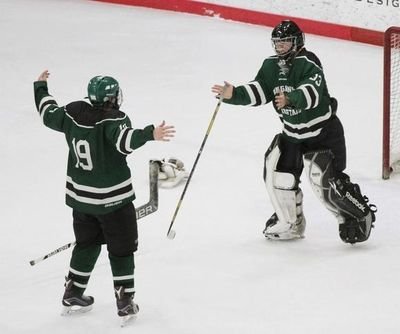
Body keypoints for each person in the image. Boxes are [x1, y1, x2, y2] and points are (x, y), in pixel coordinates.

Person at [212, 20, 376, 244]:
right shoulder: (270, 66)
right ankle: (290, 222)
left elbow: (312, 91)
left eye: (285, 42)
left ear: (297, 42)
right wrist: (234, 94)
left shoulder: (308, 61)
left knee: (328, 184)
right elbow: (260, 90)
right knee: (280, 176)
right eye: (277, 44)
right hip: (292, 135)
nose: (280, 48)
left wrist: (292, 99)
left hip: (323, 134)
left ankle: (358, 215)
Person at [33, 70, 175, 322]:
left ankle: (73, 292)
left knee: (86, 243)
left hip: (82, 200)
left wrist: (41, 87)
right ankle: (125, 299)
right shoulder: (114, 119)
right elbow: (124, 141)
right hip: (113, 202)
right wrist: (149, 133)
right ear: (111, 98)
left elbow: (47, 113)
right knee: (122, 248)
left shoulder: (73, 112)